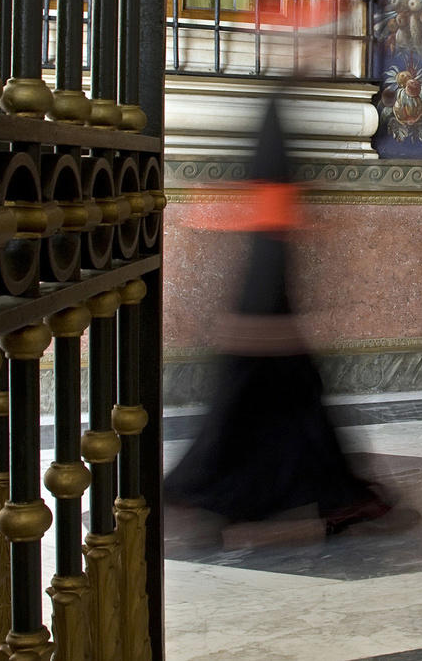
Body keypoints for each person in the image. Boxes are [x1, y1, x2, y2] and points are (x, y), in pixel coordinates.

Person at [164, 92, 392, 536]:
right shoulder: (275, 120)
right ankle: (332, 497)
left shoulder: (275, 116)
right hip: (265, 304)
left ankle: (323, 496)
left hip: (266, 303)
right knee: (282, 396)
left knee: (279, 397)